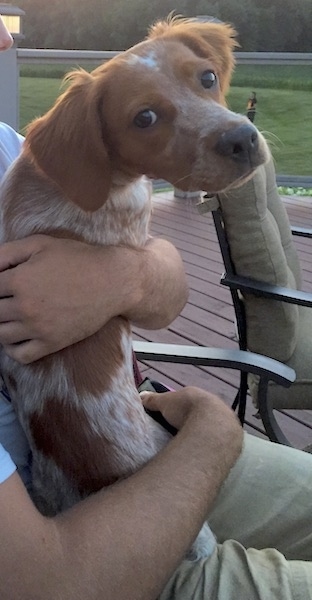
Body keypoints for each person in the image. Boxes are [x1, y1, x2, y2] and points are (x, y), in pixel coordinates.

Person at [0, 14, 312, 600]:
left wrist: (122, 278)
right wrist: (214, 434)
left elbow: (165, 293)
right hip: (101, 543)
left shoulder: (10, 149)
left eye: (207, 80)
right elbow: (46, 583)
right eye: (147, 119)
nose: (5, 36)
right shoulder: (63, 147)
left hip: (152, 438)